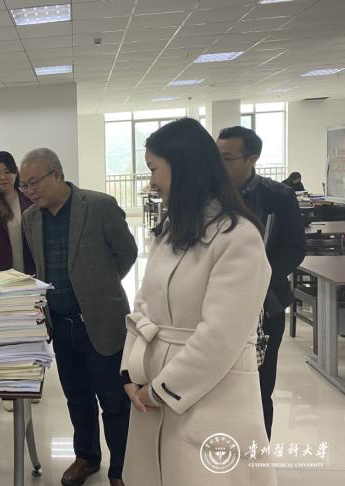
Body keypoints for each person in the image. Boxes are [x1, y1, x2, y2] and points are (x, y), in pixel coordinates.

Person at [121, 118, 276, 486]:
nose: (151, 181)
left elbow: (219, 337)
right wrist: (130, 373)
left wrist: (159, 390)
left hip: (209, 394)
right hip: (152, 388)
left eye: (154, 168)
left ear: (183, 166)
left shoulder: (238, 237)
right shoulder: (172, 229)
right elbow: (142, 307)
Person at [20, 148, 137, 486]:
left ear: (57, 174)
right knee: (77, 398)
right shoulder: (31, 218)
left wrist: (99, 288)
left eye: (34, 182)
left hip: (102, 321)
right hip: (61, 324)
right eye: (24, 186)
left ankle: (121, 469)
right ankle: (86, 457)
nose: (29, 191)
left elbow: (127, 253)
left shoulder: (98, 206)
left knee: (114, 401)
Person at [217, 126, 306, 439]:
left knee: (259, 385)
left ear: (251, 158)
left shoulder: (278, 196)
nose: (219, 164)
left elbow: (295, 248)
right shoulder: (209, 196)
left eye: (227, 158)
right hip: (217, 306)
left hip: (266, 304)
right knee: (219, 386)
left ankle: (257, 455)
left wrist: (257, 276)